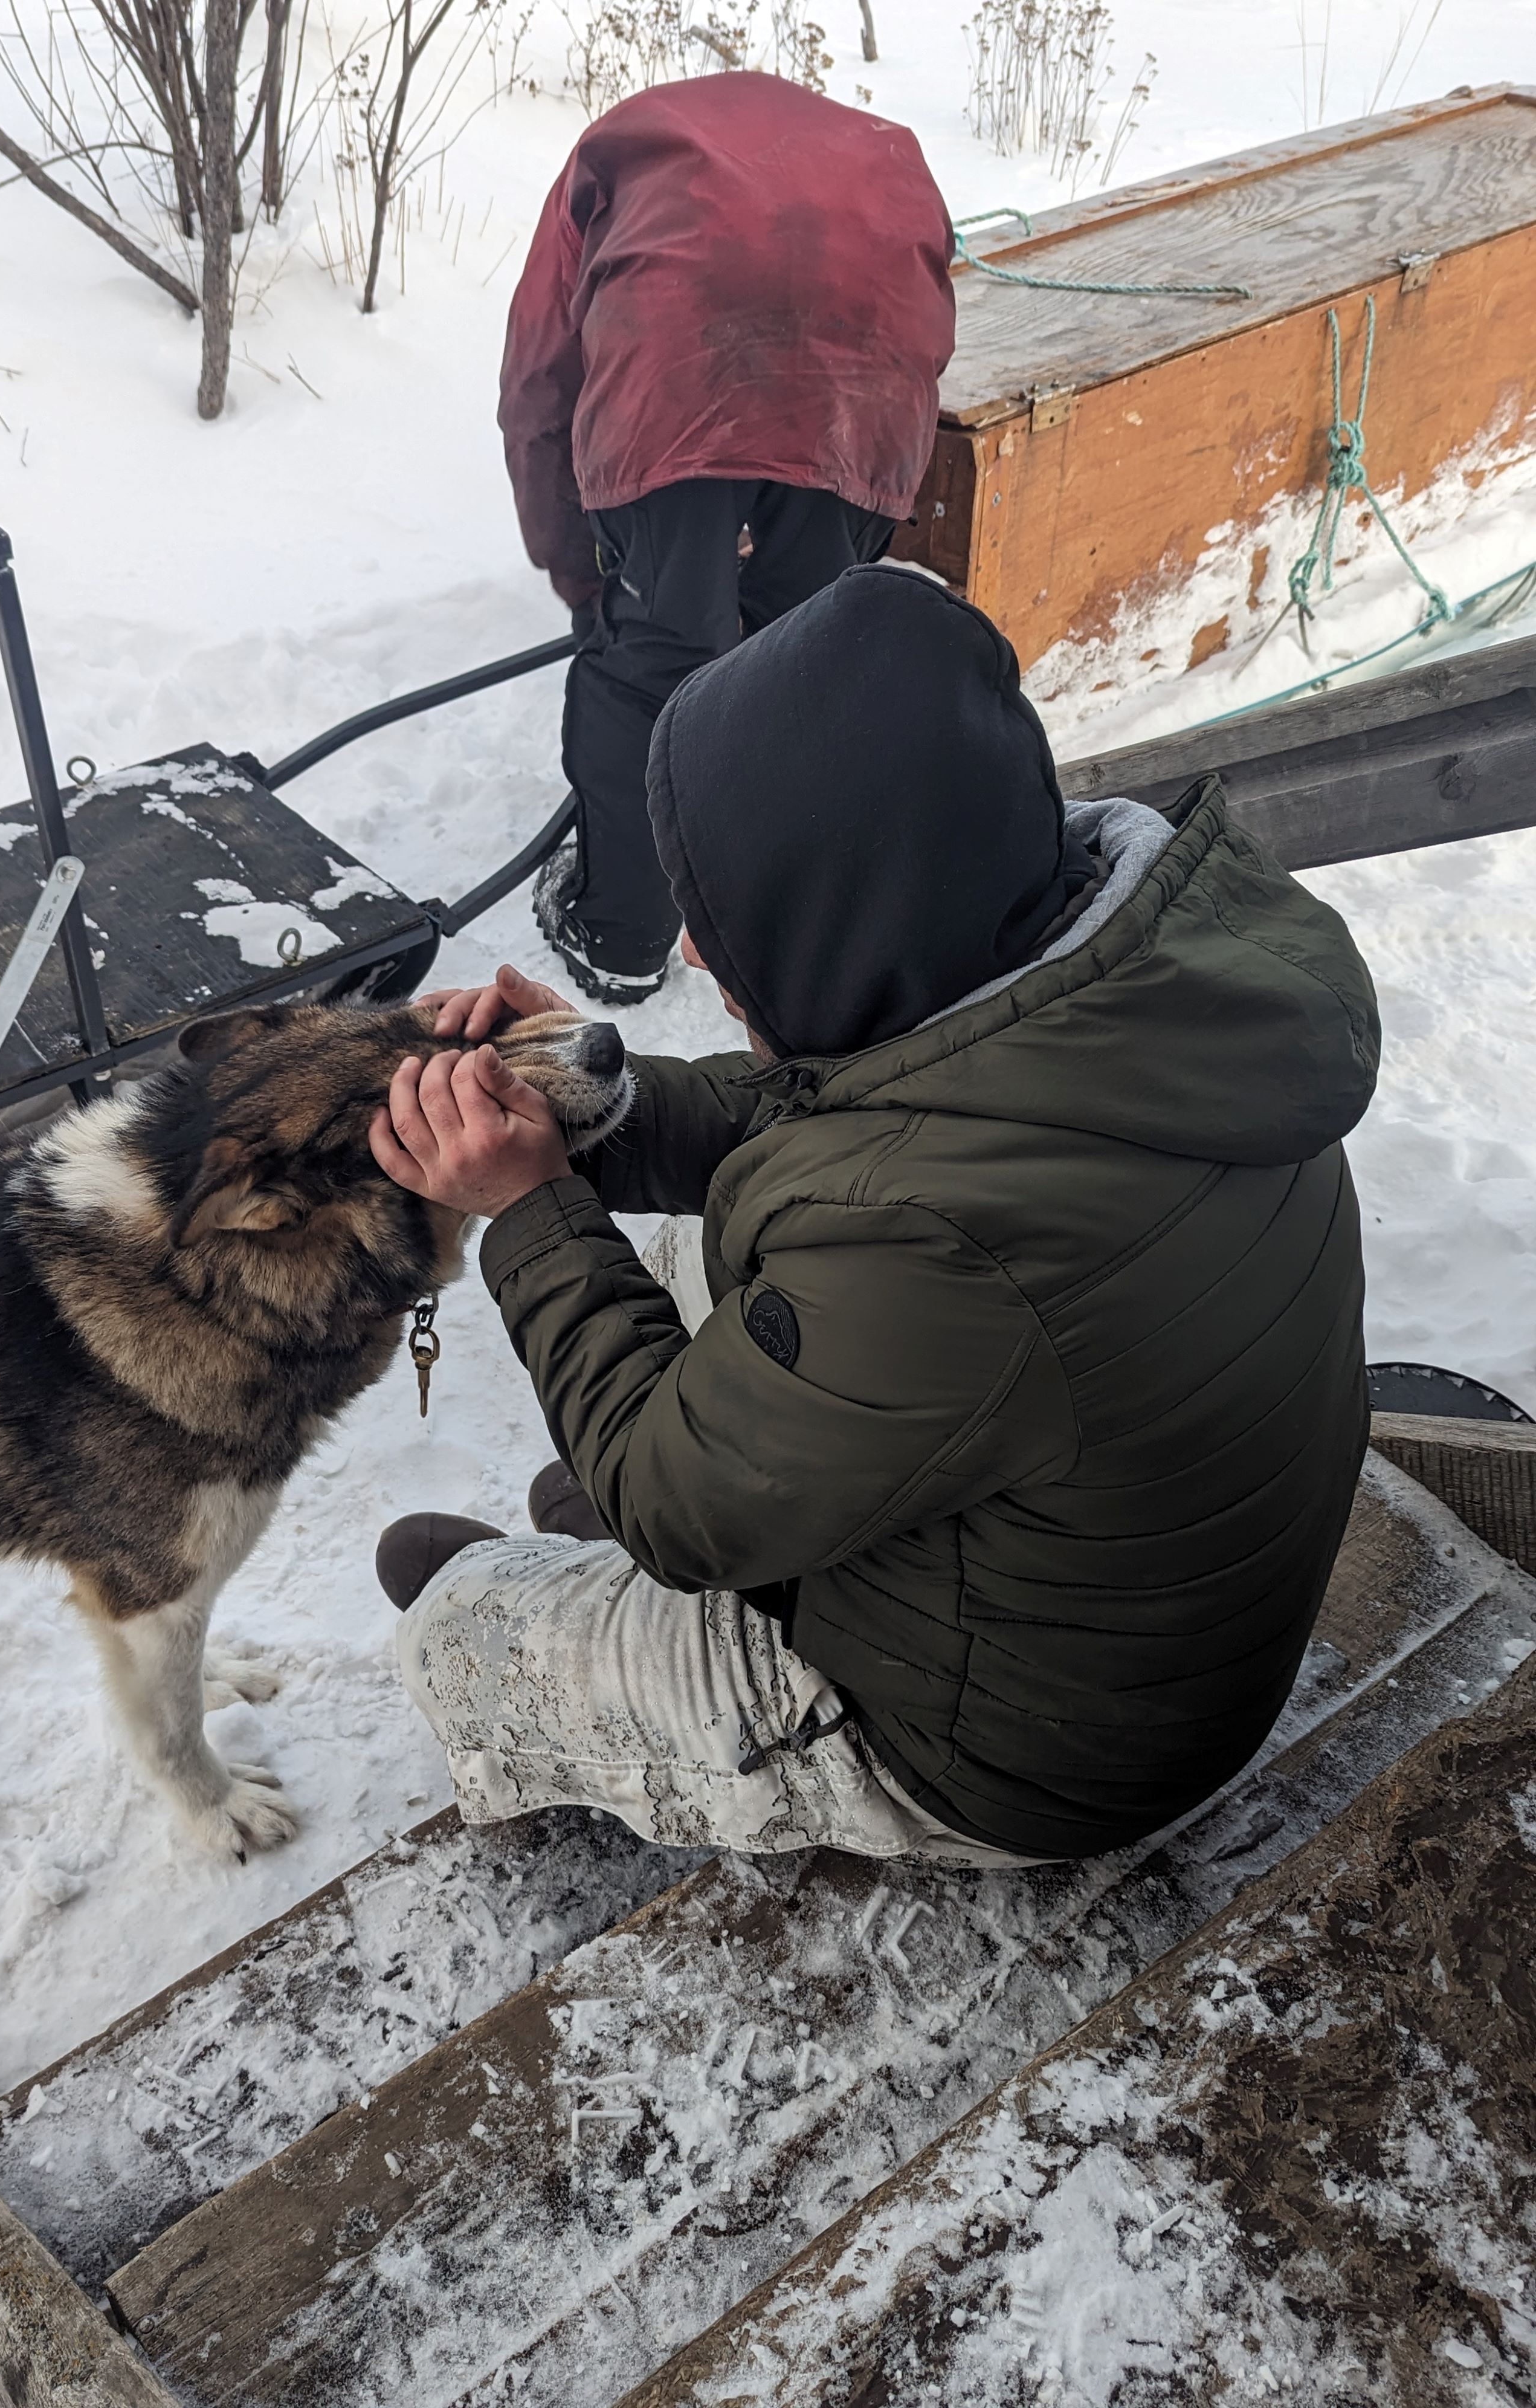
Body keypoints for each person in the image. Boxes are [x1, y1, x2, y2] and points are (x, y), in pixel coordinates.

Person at [368, 565, 1380, 1866]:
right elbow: (849, 1120)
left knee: (460, 1634)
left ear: (852, 915)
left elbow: (678, 1510)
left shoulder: (945, 1246)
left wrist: (526, 1205)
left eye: (724, 908)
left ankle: (589, 1640)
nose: (689, 952)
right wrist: (572, 1107)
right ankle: (699, 1493)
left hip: (1022, 1750)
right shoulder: (1117, 985)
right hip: (1108, 1598)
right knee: (707, 1245)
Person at [499, 73, 955, 1006]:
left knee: (654, 660)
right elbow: (923, 328)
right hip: (860, 377)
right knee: (803, 660)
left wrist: (581, 572)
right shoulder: (883, 153)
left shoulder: (615, 152)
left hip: (676, 369)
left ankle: (619, 936)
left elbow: (540, 384)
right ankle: (779, 918)